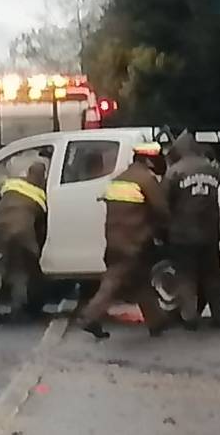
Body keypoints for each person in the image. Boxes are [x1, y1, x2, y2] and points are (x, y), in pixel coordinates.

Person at [77, 143, 170, 339]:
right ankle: (88, 318)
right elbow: (161, 210)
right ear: (148, 160)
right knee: (113, 282)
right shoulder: (145, 180)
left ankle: (157, 322)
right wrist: (166, 232)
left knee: (141, 282)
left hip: (114, 241)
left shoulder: (118, 180)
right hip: (134, 243)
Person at [162, 131, 220, 330]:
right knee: (213, 276)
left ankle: (190, 318)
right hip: (210, 233)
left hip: (183, 235)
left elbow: (163, 201)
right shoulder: (212, 168)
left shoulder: (174, 171)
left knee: (186, 277)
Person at [0, 162, 48, 320]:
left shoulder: (12, 183)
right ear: (42, 176)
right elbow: (41, 224)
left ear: (28, 172)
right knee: (20, 268)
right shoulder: (40, 194)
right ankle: (18, 304)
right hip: (22, 231)